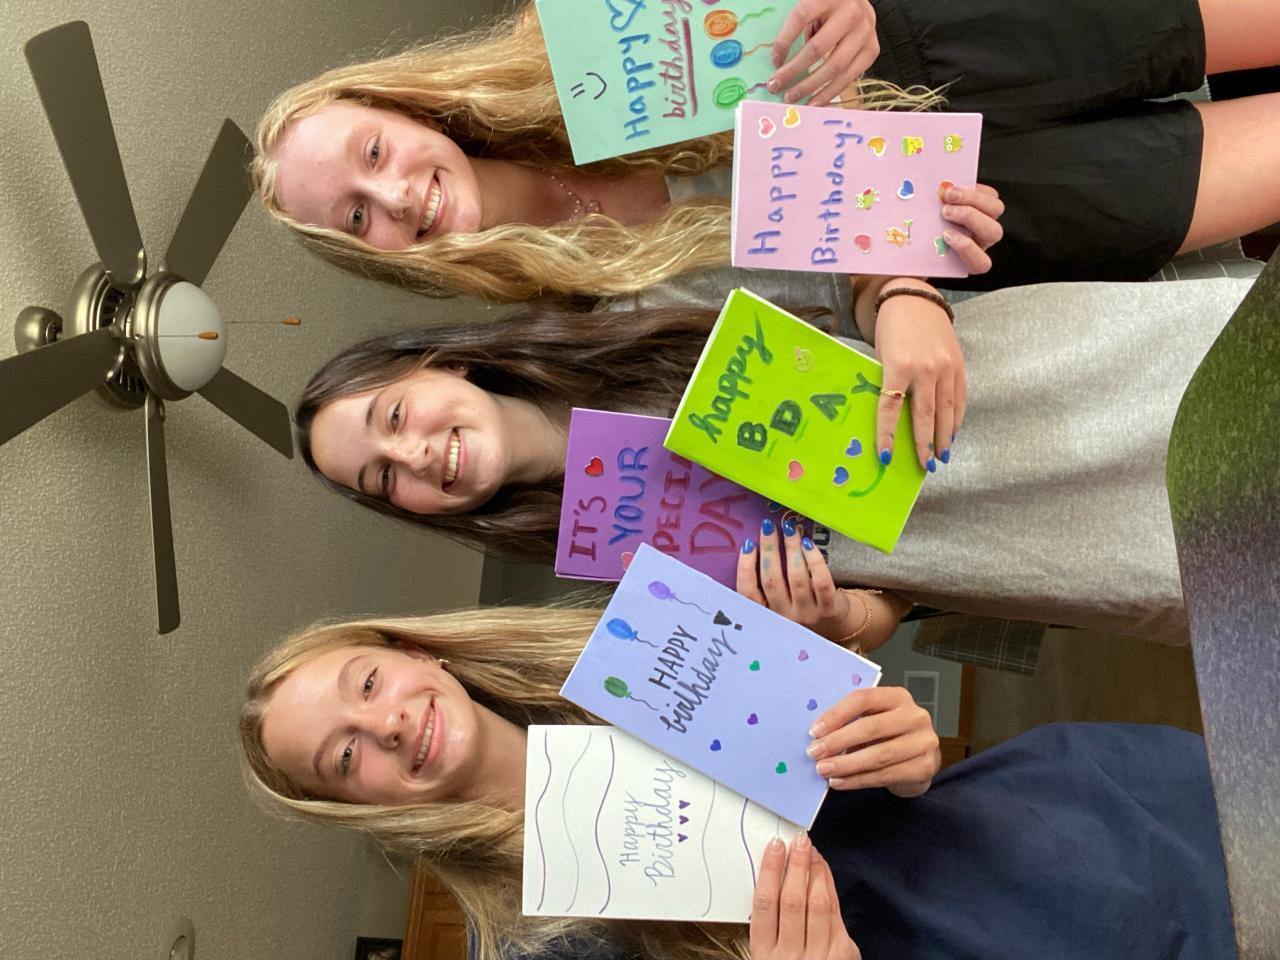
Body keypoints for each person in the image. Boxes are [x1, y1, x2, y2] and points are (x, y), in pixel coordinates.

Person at [239, 591, 1235, 960]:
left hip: (1080, 826)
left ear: (414, 653)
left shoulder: (637, 648)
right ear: (358, 809)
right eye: (345, 757)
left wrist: (903, 741)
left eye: (367, 683)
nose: (386, 725)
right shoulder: (536, 947)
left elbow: (877, 754)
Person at [292, 273, 1256, 640]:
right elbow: (886, 607)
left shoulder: (638, 302)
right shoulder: (610, 574)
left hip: (1046, 379)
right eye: (385, 480)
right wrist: (832, 619)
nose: (415, 454)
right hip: (1032, 552)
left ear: (441, 361)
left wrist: (902, 297)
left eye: (393, 415)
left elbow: (859, 245)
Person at [250, 0, 1280, 302]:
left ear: (405, 108)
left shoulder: (555, 45)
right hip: (971, 206)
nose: (395, 196)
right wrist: (900, 291)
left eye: (374, 153)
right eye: (356, 216)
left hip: (946, 33)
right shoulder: (571, 326)